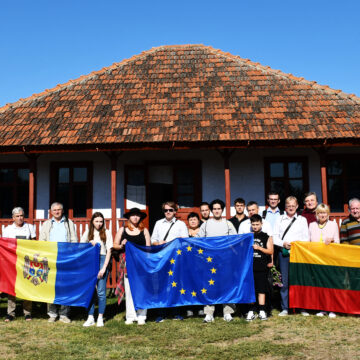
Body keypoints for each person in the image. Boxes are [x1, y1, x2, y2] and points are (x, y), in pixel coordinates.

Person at [197, 199, 237, 323]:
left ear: (222, 210)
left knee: (227, 285)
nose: (216, 211)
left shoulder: (228, 224)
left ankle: (228, 312)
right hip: (209, 260)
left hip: (225, 260)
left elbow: (235, 241)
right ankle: (209, 313)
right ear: (211, 210)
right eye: (214, 209)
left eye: (219, 208)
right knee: (210, 285)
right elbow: (199, 241)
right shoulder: (206, 224)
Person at [39, 202, 78, 323]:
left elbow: (74, 240)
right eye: (54, 210)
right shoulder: (46, 224)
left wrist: (71, 255)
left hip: (65, 258)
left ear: (62, 210)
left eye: (59, 209)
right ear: (51, 212)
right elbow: (42, 240)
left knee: (65, 286)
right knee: (50, 286)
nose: (57, 212)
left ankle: (64, 314)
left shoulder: (69, 223)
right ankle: (52, 313)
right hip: (50, 258)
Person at [151, 202, 188, 322]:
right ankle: (161, 312)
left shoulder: (181, 224)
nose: (168, 212)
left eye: (170, 210)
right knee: (162, 284)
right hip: (162, 256)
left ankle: (176, 312)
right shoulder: (158, 223)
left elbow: (185, 240)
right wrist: (158, 243)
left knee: (176, 283)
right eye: (165, 210)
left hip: (176, 258)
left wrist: (174, 242)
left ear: (175, 211)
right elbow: (153, 240)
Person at [113, 208, 150, 325]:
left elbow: (148, 248)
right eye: (133, 215)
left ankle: (142, 315)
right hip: (128, 262)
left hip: (141, 262)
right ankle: (130, 315)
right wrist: (121, 245)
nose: (135, 217)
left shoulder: (144, 230)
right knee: (129, 289)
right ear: (129, 217)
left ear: (140, 218)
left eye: (137, 216)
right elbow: (115, 245)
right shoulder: (122, 230)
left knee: (142, 288)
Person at [273, 196, 309, 316]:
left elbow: (306, 238)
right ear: (285, 207)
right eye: (289, 206)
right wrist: (283, 243)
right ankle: (285, 308)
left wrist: (296, 244)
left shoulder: (302, 220)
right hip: (283, 253)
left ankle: (301, 307)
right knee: (284, 281)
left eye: (293, 206)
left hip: (298, 254)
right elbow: (275, 236)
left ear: (297, 206)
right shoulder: (279, 219)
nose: (291, 208)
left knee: (298, 280)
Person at [2, 207, 36, 322]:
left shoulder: (30, 227)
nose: (20, 218)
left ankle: (27, 312)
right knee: (12, 286)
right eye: (17, 216)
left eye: (21, 215)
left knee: (27, 285)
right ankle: (11, 313)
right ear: (13, 217)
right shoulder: (7, 229)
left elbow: (35, 243)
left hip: (26, 261)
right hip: (12, 261)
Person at [81, 212, 113, 327]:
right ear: (92, 222)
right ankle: (90, 317)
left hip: (102, 260)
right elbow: (81, 246)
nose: (99, 224)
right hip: (90, 261)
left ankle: (100, 316)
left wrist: (104, 268)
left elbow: (109, 250)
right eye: (96, 221)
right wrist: (90, 243)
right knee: (90, 290)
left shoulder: (107, 232)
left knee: (101, 291)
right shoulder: (88, 232)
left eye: (101, 221)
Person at [309, 203, 339, 318]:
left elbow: (338, 242)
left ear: (328, 214)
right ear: (317, 214)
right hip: (316, 259)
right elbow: (308, 242)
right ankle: (322, 309)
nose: (322, 215)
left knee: (330, 284)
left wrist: (332, 240)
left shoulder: (333, 225)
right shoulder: (312, 225)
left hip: (329, 259)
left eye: (325, 212)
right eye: (320, 212)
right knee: (319, 284)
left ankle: (332, 309)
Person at [246, 215, 273, 321]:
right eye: (253, 224)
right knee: (251, 289)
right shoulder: (248, 236)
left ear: (261, 224)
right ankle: (251, 310)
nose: (255, 226)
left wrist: (259, 248)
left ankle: (262, 310)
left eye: (257, 224)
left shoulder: (266, 236)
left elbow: (270, 251)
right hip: (249, 267)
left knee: (262, 289)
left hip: (262, 266)